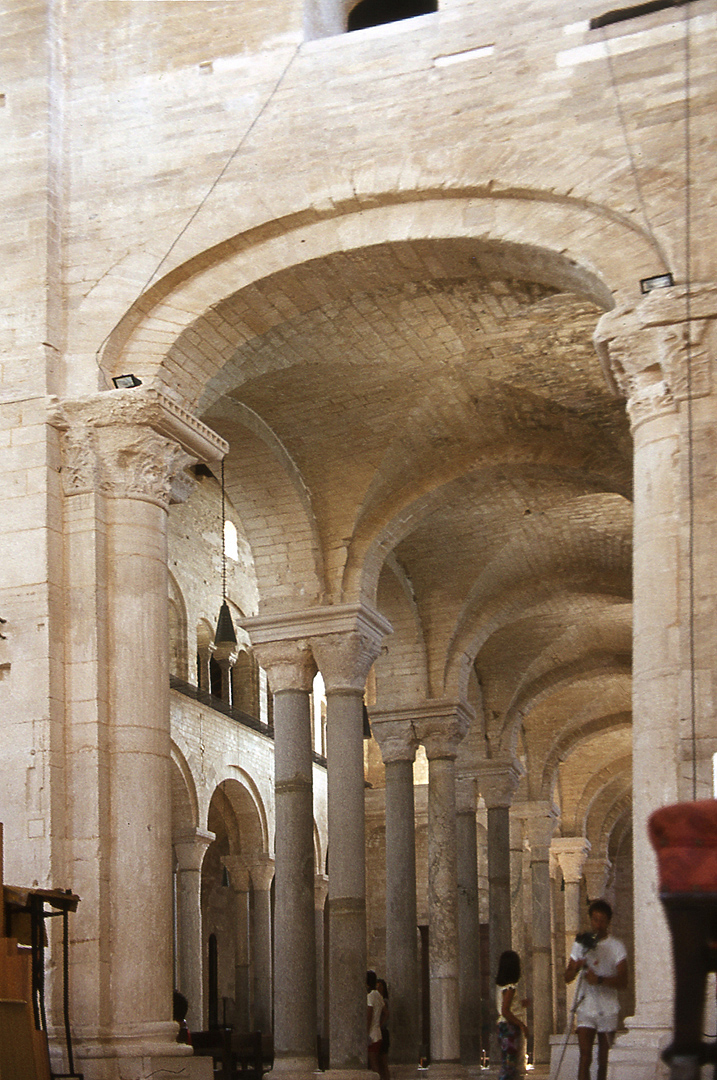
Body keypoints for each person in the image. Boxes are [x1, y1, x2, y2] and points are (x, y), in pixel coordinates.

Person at [564, 899, 628, 1080]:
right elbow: (567, 978)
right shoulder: (581, 943)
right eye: (595, 919)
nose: (598, 924)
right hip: (586, 1007)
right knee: (585, 1056)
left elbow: (624, 981)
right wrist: (576, 966)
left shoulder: (616, 947)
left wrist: (599, 979)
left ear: (608, 922)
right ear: (590, 920)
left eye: (602, 920)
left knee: (603, 1058)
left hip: (608, 1008)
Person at [496, 950, 528, 1080]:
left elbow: (510, 1006)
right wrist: (521, 1025)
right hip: (509, 1028)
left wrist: (521, 1004)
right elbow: (505, 1011)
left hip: (504, 1027)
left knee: (510, 1064)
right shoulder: (510, 988)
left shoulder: (502, 987)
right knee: (509, 1066)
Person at [367, 970, 386, 1078]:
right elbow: (386, 1013)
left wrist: (366, 1032)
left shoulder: (370, 996)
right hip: (378, 1032)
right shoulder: (378, 995)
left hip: (372, 1035)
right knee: (380, 1064)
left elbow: (369, 1015)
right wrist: (379, 1023)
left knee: (374, 1064)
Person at [377, 978, 390, 1080]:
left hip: (382, 1031)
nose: (378, 987)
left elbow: (386, 1014)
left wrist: (379, 1025)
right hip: (378, 1031)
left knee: (383, 1062)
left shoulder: (384, 1001)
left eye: (380, 985)